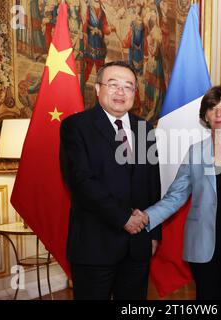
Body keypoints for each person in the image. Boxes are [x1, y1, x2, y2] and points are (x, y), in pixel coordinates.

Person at [132, 85, 221, 300]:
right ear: (205, 116)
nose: (219, 113)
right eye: (212, 108)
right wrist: (147, 216)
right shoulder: (195, 151)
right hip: (204, 246)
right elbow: (176, 196)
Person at [60, 61, 161, 300]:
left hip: (138, 245)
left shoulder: (144, 128)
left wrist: (153, 232)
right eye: (113, 84)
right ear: (97, 89)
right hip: (95, 246)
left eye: (128, 87)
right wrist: (123, 217)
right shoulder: (76, 126)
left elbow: (152, 183)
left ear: (135, 94)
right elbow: (81, 182)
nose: (121, 92)